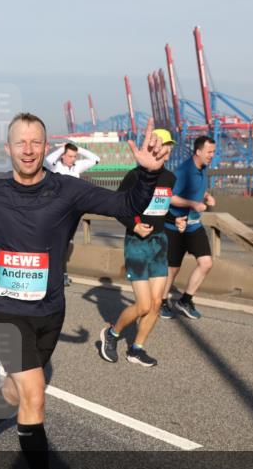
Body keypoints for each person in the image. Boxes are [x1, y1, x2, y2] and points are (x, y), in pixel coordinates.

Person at [0, 113, 168, 469]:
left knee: (15, 389)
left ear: (48, 148)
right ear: (8, 148)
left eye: (36, 142)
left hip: (49, 310)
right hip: (5, 309)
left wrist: (148, 176)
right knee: (35, 396)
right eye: (20, 142)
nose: (28, 149)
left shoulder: (69, 190)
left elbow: (124, 206)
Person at [98, 130, 186, 367]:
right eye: (163, 144)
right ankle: (112, 334)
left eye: (169, 145)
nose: (166, 149)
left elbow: (160, 208)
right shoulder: (134, 176)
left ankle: (136, 348)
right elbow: (117, 207)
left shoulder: (169, 177)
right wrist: (134, 227)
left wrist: (174, 219)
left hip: (159, 243)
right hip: (137, 244)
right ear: (153, 145)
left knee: (157, 303)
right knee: (144, 305)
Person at [160, 135, 217, 320]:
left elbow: (196, 188)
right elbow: (170, 197)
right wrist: (193, 203)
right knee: (172, 269)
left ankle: (185, 300)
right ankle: (161, 302)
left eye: (213, 152)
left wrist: (206, 196)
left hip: (193, 225)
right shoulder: (183, 170)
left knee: (206, 263)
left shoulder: (203, 167)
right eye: (209, 152)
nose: (212, 155)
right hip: (175, 226)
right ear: (198, 152)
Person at [45, 143, 101, 286]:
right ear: (63, 155)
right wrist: (61, 148)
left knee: (67, 243)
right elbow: (48, 159)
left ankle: (61, 274)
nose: (72, 159)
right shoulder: (56, 166)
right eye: (69, 156)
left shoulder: (77, 166)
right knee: (56, 243)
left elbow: (96, 159)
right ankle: (54, 273)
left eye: (74, 156)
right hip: (56, 211)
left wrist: (79, 149)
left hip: (72, 212)